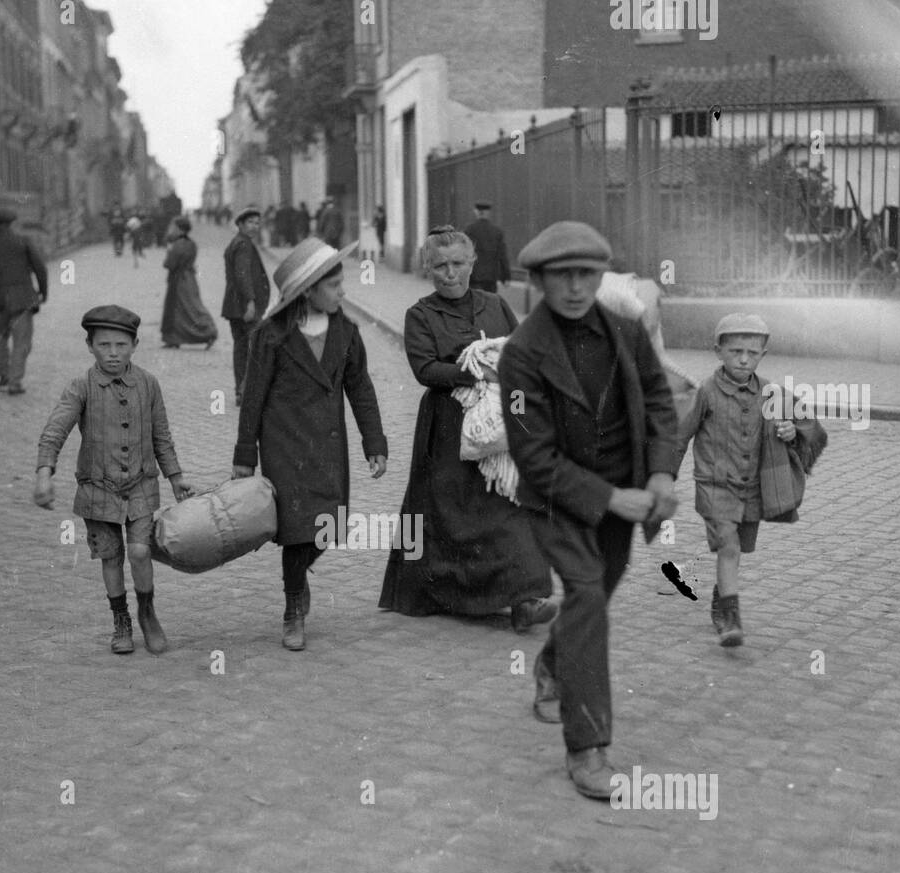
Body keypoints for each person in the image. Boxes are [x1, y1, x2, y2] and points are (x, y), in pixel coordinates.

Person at [498, 222, 680, 800]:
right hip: (555, 502)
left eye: (587, 275)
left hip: (624, 498)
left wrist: (659, 471)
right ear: (539, 281)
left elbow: (658, 399)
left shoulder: (625, 332)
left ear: (602, 277)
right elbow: (535, 457)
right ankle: (587, 747)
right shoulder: (522, 355)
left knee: (592, 598)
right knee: (586, 596)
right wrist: (606, 498)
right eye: (562, 276)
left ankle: (553, 666)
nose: (576, 288)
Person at [379, 225, 556, 632]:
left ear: (473, 264)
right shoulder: (420, 315)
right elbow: (425, 368)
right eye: (440, 266)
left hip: (497, 424)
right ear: (427, 269)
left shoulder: (495, 304)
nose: (450, 273)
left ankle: (525, 599)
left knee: (508, 503)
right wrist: (475, 369)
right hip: (447, 428)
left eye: (458, 263)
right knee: (451, 514)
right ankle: (449, 592)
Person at [232, 237, 388, 651]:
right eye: (335, 285)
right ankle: (293, 606)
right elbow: (253, 399)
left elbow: (360, 388)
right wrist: (245, 456)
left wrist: (375, 441)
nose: (343, 292)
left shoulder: (347, 332)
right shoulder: (271, 336)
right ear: (309, 290)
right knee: (298, 530)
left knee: (328, 524)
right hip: (285, 448)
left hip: (328, 448)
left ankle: (298, 586)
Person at [35, 305, 195, 656]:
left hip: (140, 483)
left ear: (135, 345)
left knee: (139, 550)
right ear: (89, 345)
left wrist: (176, 476)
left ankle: (147, 613)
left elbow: (162, 436)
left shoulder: (148, 384)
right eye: (104, 345)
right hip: (98, 490)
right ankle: (120, 619)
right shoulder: (81, 387)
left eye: (121, 345)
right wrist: (45, 472)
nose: (113, 353)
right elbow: (55, 430)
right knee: (110, 558)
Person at [674, 313, 826, 647]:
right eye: (735, 351)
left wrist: (790, 432)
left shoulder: (773, 395)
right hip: (714, 487)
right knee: (728, 547)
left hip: (752, 489)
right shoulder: (706, 393)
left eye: (752, 353)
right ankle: (731, 619)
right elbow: (678, 437)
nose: (744, 359)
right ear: (718, 351)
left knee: (737, 548)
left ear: (763, 355)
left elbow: (810, 431)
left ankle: (720, 598)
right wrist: (661, 478)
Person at [0, 207, 47, 394]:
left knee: (0, 339)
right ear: (12, 223)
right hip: (23, 301)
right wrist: (43, 292)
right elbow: (40, 268)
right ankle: (15, 382)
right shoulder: (23, 242)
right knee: (22, 341)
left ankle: (4, 377)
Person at [221, 206, 271, 407]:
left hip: (234, 306)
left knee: (241, 348)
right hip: (244, 307)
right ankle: (247, 391)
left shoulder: (237, 243)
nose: (254, 227)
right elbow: (242, 274)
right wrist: (250, 302)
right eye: (250, 222)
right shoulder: (243, 245)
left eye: (257, 223)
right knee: (253, 349)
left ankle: (241, 391)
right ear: (240, 225)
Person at [160, 216, 218, 350]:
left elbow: (169, 264)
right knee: (191, 307)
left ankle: (207, 333)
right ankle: (176, 338)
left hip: (179, 280)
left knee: (179, 308)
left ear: (180, 229)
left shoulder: (177, 245)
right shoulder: (191, 243)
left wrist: (168, 251)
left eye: (173, 227)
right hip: (189, 278)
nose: (171, 229)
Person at [464, 200, 511, 294]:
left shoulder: (469, 230)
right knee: (490, 304)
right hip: (491, 278)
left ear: (476, 212)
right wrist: (506, 277)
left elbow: (463, 254)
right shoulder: (497, 231)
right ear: (488, 213)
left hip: (474, 277)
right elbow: (502, 256)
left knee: (475, 304)